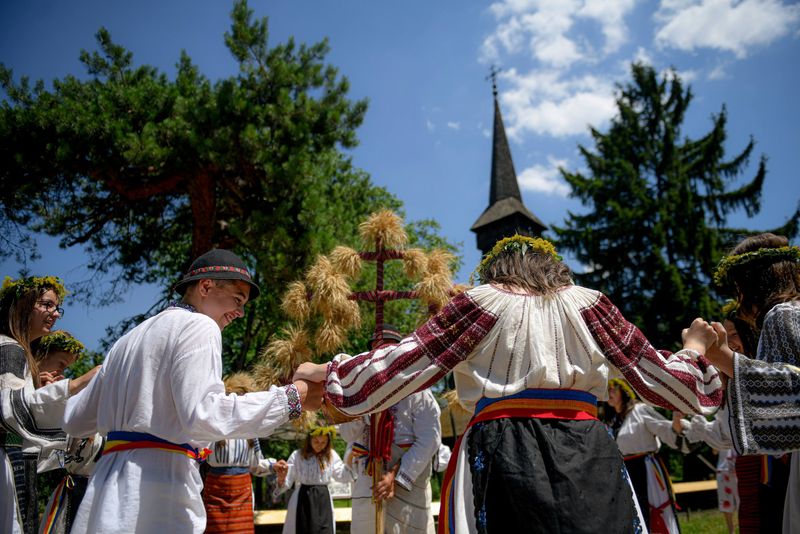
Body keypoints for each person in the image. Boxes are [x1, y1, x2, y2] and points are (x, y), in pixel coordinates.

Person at [294, 235, 724, 533]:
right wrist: (694, 348)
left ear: (493, 271)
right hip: (587, 446)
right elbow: (674, 386)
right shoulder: (592, 303)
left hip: (503, 448)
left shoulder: (479, 302)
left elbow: (407, 361)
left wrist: (331, 373)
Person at [62, 249, 323, 533]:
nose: (240, 312)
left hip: (106, 491)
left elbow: (76, 419)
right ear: (206, 286)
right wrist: (291, 398)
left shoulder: (126, 341)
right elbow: (203, 415)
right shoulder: (201, 326)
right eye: (237, 300)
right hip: (158, 489)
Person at [703, 233, 800, 532]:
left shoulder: (781, 315)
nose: (740, 299)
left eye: (739, 288)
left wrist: (721, 357)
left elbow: (788, 401)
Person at [0, 277, 98, 534]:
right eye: (47, 305)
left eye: (57, 308)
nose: (55, 314)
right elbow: (10, 409)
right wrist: (76, 385)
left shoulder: (16, 351)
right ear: (22, 304)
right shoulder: (10, 349)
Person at [339, 325, 442, 534]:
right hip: (368, 480)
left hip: (407, 483)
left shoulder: (417, 389)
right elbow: (348, 434)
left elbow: (430, 438)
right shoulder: (361, 391)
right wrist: (356, 403)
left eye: (389, 351)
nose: (383, 357)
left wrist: (395, 476)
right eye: (377, 352)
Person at [606, 378, 687, 534]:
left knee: (652, 511)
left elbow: (665, 429)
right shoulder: (614, 420)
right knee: (634, 514)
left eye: (613, 389)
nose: (609, 393)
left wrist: (677, 422)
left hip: (646, 468)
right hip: (627, 471)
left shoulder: (640, 410)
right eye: (607, 390)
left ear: (623, 391)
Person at [202, 372, 278, 534]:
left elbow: (256, 466)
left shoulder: (251, 433)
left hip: (242, 489)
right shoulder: (214, 427)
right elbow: (201, 454)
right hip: (216, 488)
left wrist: (274, 465)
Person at [274, 424, 353, 534]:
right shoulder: (297, 455)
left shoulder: (331, 455)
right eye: (316, 441)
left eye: (323, 442)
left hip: (323, 500)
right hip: (303, 499)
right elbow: (286, 483)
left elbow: (343, 476)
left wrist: (351, 460)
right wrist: (281, 478)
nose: (320, 445)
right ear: (309, 440)